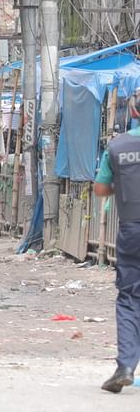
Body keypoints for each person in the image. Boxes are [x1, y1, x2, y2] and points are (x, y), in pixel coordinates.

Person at [94, 128, 140, 393]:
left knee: (130, 297)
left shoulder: (117, 147)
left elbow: (100, 188)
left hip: (132, 230)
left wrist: (122, 184)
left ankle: (125, 366)